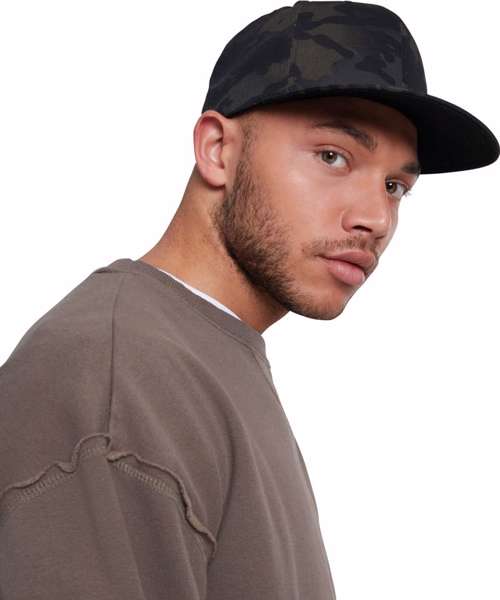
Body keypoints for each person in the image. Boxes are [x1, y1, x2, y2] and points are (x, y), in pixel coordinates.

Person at [0, 2, 498, 599]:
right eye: (333, 156)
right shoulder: (116, 375)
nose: (376, 218)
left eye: (395, 186)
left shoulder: (205, 354)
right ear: (217, 149)